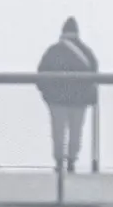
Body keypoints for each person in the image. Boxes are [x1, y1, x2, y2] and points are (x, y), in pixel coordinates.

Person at [36, 17, 99, 173]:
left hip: (56, 100)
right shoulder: (86, 52)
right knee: (76, 131)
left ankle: (59, 161)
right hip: (79, 100)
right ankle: (72, 160)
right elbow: (94, 76)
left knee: (58, 131)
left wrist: (47, 96)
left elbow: (40, 75)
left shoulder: (53, 51)